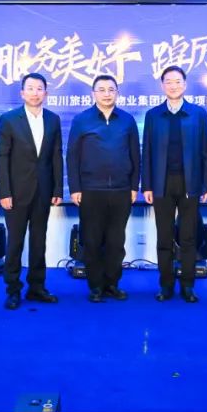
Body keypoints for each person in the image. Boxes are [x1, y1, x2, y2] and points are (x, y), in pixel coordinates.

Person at [67, 74, 140, 302]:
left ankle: (112, 284)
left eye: (111, 89)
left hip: (121, 190)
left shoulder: (127, 120)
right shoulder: (82, 120)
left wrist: (133, 186)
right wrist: (75, 187)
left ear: (117, 93)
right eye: (102, 90)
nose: (107, 94)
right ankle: (96, 287)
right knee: (92, 240)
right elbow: (72, 156)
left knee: (116, 242)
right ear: (93, 94)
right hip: (90, 190)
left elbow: (135, 156)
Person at [142, 66, 207, 303]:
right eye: (168, 82)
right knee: (164, 237)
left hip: (190, 182)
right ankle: (166, 285)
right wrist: (147, 185)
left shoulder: (198, 114)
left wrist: (206, 184)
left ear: (185, 84)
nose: (173, 86)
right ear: (162, 85)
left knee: (188, 236)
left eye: (177, 81)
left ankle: (188, 285)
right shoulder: (153, 115)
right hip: (161, 183)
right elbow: (147, 152)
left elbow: (206, 151)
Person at [0, 72, 63, 310]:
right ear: (22, 93)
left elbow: (56, 156)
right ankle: (13, 289)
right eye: (30, 88)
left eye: (39, 88)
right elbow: (2, 157)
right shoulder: (9, 119)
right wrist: (4, 192)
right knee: (15, 243)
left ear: (46, 93)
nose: (35, 93)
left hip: (43, 191)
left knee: (38, 241)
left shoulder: (53, 119)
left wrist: (57, 188)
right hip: (15, 192)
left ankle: (37, 287)